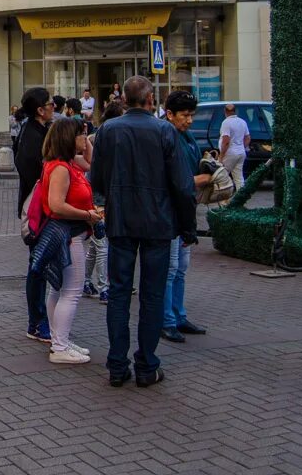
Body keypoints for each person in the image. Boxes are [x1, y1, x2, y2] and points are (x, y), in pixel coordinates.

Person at [90, 77, 195, 389]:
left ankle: (117, 365)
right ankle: (147, 365)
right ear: (151, 99)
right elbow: (183, 185)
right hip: (158, 223)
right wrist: (188, 227)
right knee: (151, 295)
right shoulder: (165, 131)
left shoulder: (108, 130)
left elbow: (97, 178)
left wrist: (104, 205)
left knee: (120, 293)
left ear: (124, 98)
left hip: (121, 221)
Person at [35, 118, 103, 364]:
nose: (84, 140)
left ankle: (58, 340)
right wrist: (88, 215)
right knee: (71, 291)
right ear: (67, 138)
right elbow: (56, 205)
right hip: (68, 234)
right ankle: (60, 346)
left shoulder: (65, 162)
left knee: (59, 289)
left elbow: (91, 162)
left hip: (68, 233)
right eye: (80, 135)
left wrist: (87, 141)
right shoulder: (62, 168)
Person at [160, 90, 211, 344]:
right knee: (170, 269)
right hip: (170, 213)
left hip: (185, 211)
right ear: (170, 114)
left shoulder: (186, 136)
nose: (189, 120)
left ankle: (178, 316)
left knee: (180, 268)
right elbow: (171, 181)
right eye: (185, 115)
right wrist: (200, 179)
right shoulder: (166, 136)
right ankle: (167, 320)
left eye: (191, 115)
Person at [83, 101, 124, 303]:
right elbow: (96, 174)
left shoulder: (103, 136)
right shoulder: (103, 139)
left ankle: (85, 280)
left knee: (96, 244)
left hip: (104, 199)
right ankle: (103, 288)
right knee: (102, 246)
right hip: (100, 201)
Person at [15, 88, 52, 214]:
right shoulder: (32, 136)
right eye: (51, 104)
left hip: (38, 200)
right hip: (37, 204)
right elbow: (33, 170)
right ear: (40, 110)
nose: (54, 107)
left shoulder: (38, 129)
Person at [217, 103, 250, 191]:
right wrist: (241, 147)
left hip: (230, 153)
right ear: (235, 111)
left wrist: (221, 156)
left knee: (222, 175)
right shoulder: (242, 121)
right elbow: (247, 138)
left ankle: (223, 197)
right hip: (241, 152)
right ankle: (241, 197)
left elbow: (226, 141)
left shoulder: (226, 123)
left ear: (225, 112)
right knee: (239, 177)